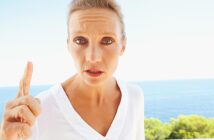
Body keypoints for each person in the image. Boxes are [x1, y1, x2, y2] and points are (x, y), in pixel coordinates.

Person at [0, 0, 145, 139]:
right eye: (80, 40)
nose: (93, 57)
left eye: (107, 41)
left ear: (123, 46)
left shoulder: (134, 97)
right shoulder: (38, 112)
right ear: (68, 45)